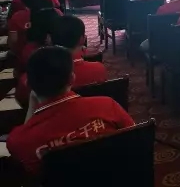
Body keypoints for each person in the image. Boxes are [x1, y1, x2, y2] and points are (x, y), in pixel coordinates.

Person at [7, 47, 135, 175]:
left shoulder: (18, 141)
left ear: (29, 85)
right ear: (72, 78)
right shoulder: (106, 106)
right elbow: (136, 140)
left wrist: (32, 104)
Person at [17, 15, 108, 106]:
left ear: (49, 39)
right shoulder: (99, 70)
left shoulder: (30, 78)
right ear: (82, 39)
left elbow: (22, 103)